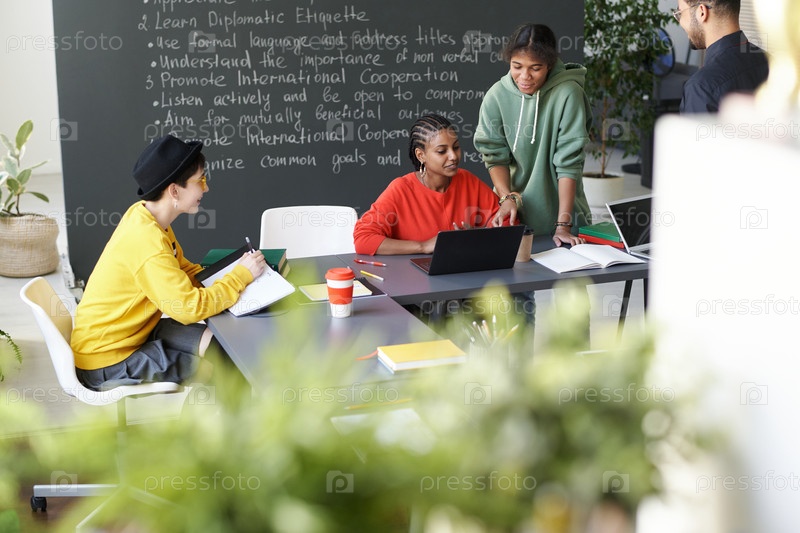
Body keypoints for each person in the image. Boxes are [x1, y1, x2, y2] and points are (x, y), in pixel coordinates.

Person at [70, 134, 266, 391]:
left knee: (220, 346)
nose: (206, 188)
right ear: (174, 190)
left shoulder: (145, 216)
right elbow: (188, 308)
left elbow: (183, 270)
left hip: (133, 331)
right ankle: (234, 416)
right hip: (107, 359)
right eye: (200, 180)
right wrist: (239, 277)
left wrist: (230, 272)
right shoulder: (147, 242)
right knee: (220, 369)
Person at [473, 23, 592, 245]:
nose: (524, 76)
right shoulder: (496, 96)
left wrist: (563, 225)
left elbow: (568, 164)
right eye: (517, 66)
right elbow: (494, 157)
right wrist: (506, 197)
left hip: (562, 219)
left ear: (549, 64)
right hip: (513, 217)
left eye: (535, 68)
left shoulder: (569, 93)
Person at [354, 114, 501, 256]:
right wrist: (423, 246)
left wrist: (477, 238)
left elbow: (504, 222)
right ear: (421, 155)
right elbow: (364, 239)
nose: (453, 156)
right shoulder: (401, 189)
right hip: (410, 272)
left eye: (456, 147)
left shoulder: (468, 181)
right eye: (441, 151)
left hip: (462, 270)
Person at [675, 0, 769, 114]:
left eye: (680, 13)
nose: (680, 21)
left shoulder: (701, 88)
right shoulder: (773, 63)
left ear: (702, 12)